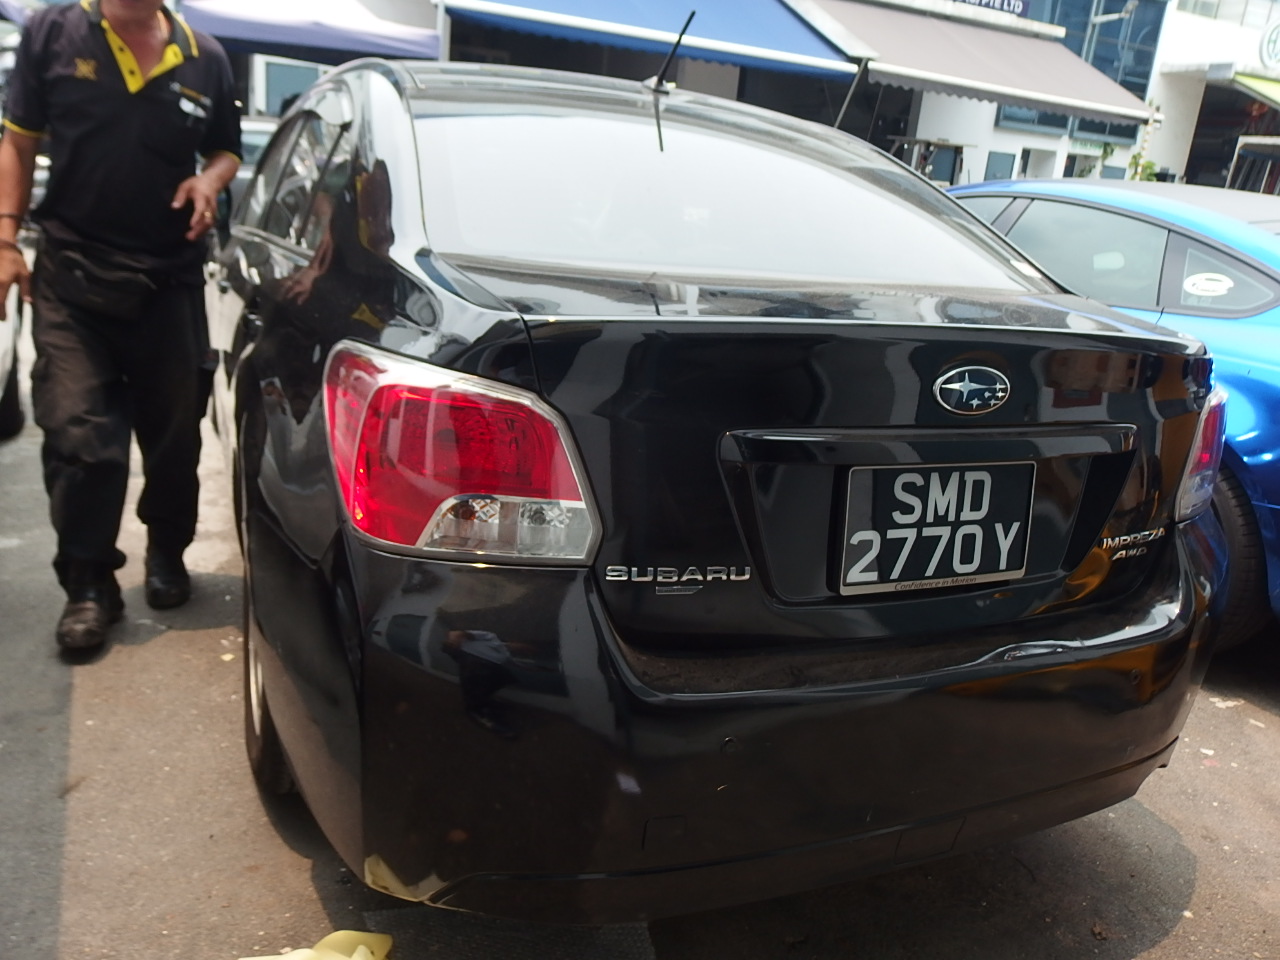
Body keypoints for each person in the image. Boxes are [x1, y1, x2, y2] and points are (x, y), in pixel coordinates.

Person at [0, 0, 241, 652]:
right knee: (79, 436)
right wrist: (5, 240)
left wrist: (210, 179)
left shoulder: (206, 57)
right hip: (72, 278)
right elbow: (18, 141)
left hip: (170, 283)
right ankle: (88, 584)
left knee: (175, 439)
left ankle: (167, 552)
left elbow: (225, 148)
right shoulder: (53, 33)